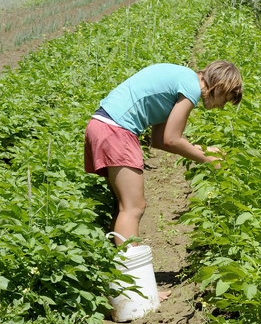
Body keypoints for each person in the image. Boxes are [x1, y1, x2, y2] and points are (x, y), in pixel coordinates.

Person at [84, 61, 242, 300]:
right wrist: (208, 157)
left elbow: (159, 140)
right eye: (226, 100)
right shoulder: (191, 87)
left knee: (125, 207)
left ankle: (122, 284)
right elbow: (171, 139)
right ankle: (135, 291)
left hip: (102, 125)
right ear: (220, 87)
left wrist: (203, 150)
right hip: (117, 130)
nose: (220, 108)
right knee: (133, 208)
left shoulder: (182, 79)